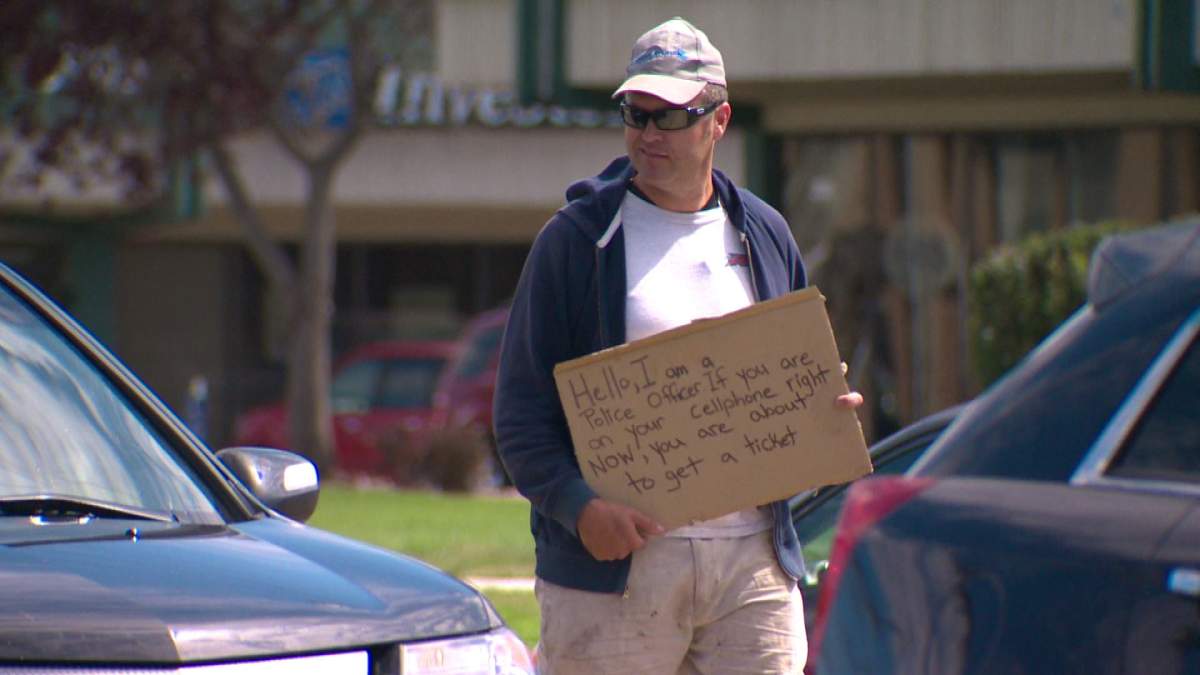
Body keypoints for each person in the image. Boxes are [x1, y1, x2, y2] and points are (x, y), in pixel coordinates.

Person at [493, 16, 863, 674]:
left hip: (753, 564)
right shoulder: (576, 241)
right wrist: (580, 512)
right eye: (636, 113)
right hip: (613, 573)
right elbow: (520, 416)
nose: (647, 133)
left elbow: (797, 379)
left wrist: (822, 412)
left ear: (718, 122)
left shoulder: (766, 233)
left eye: (670, 116)